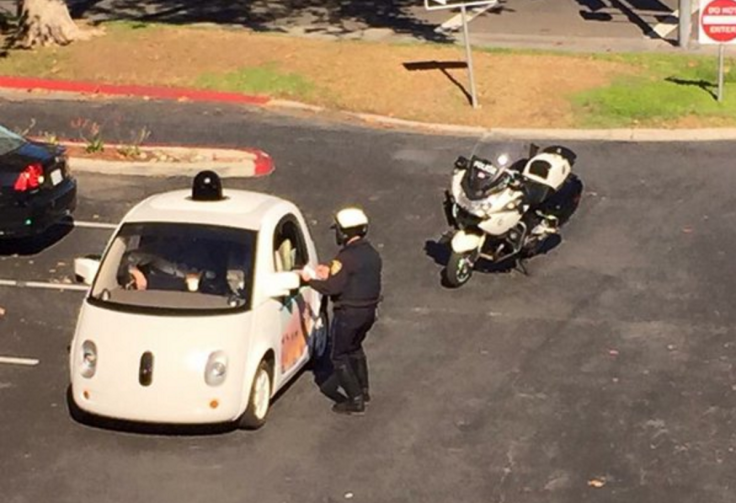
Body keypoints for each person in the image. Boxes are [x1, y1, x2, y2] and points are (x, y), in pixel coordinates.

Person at [300, 207, 382, 415]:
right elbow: (354, 277)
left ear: (344, 232)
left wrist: (310, 280)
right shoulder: (371, 253)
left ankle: (354, 399)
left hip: (348, 314)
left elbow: (333, 288)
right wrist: (330, 272)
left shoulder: (344, 258)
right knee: (355, 348)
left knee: (338, 355)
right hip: (368, 312)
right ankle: (363, 390)